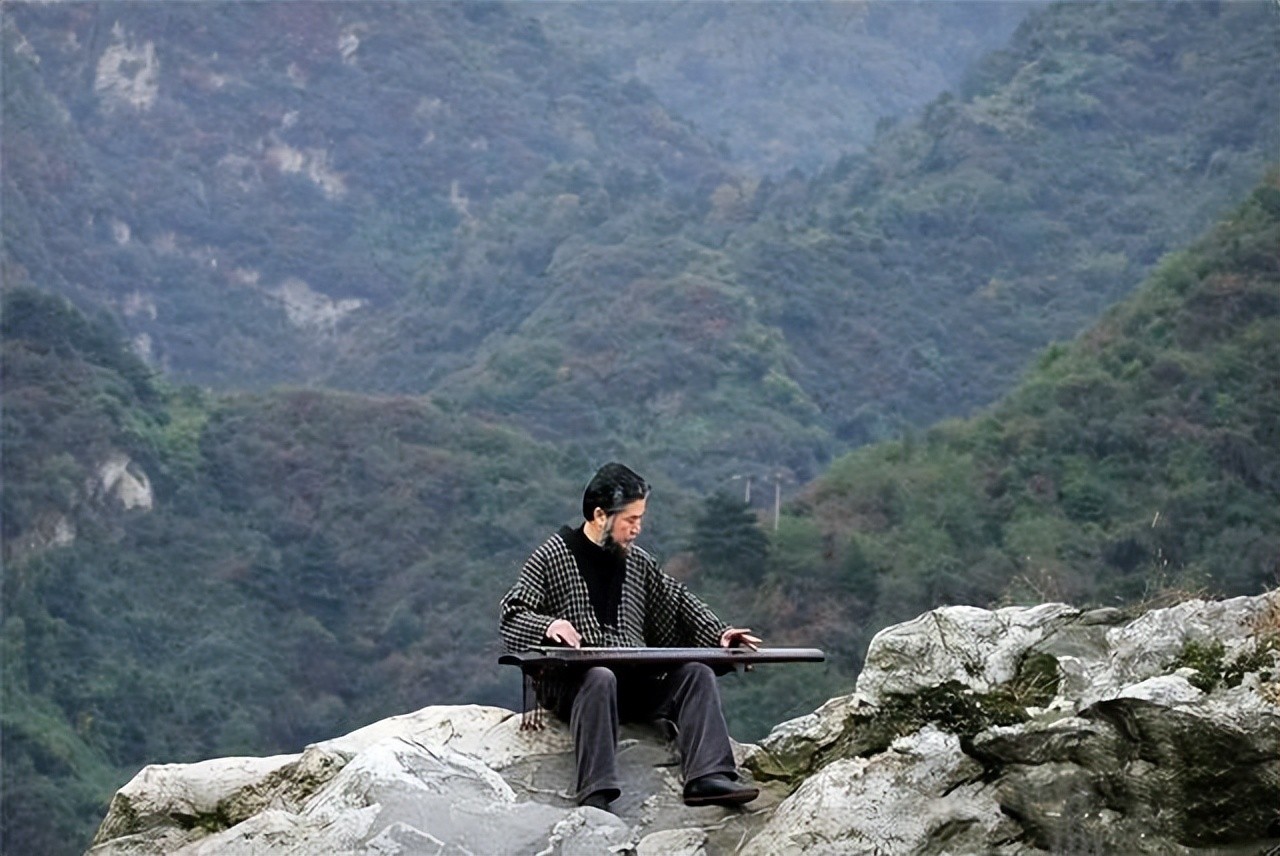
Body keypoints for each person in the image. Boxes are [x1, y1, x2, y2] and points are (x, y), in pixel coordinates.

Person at [499, 462, 762, 812]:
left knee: (696, 674)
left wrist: (720, 634)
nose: (637, 528)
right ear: (599, 515)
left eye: (640, 519)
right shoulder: (552, 556)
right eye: (630, 520)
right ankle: (596, 792)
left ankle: (708, 776)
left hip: (633, 680)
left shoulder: (638, 562)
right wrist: (549, 626)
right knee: (600, 677)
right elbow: (513, 613)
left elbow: (678, 602)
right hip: (576, 684)